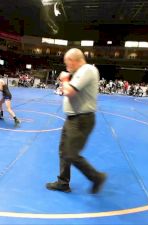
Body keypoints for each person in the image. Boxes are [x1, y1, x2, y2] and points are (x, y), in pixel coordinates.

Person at [46, 48, 106, 194]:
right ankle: (63, 182)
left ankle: (97, 177)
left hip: (81, 119)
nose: (67, 68)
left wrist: (65, 80)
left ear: (73, 60)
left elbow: (69, 91)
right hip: (72, 118)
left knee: (70, 154)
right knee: (63, 151)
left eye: (67, 64)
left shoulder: (87, 70)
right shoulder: (79, 72)